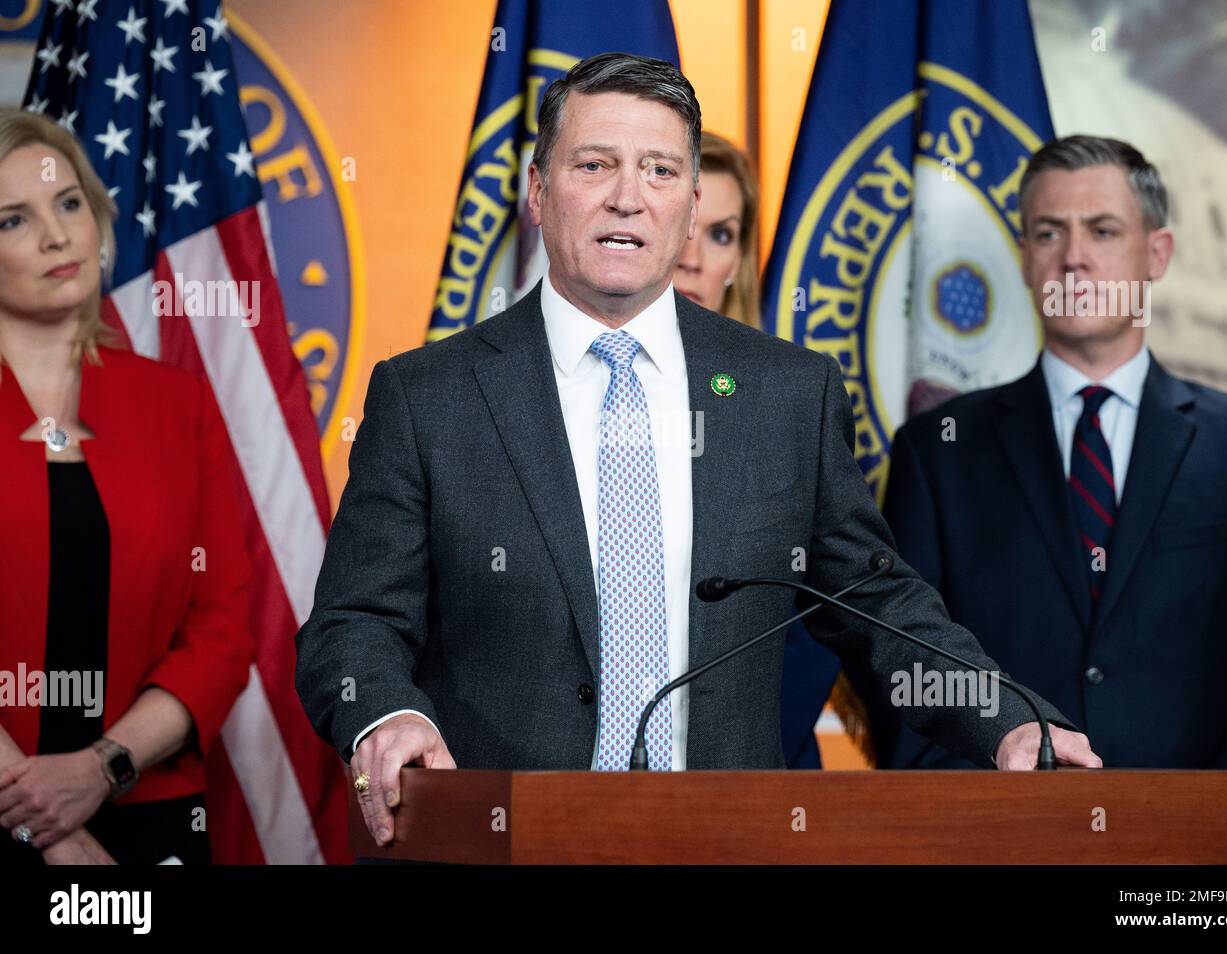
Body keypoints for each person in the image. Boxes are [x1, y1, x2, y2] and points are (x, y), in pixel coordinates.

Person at [295, 53, 1101, 853]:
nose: (627, 196)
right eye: (594, 164)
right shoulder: (428, 394)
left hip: (725, 843)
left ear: (688, 205)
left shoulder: (789, 394)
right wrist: (387, 713)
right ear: (538, 193)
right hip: (498, 840)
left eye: (658, 170)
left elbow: (879, 607)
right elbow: (353, 620)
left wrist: (1002, 719)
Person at [874, 135, 1227, 863]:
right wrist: (990, 832)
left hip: (1194, 873)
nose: (1074, 257)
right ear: (1024, 257)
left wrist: (1198, 833)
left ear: (1155, 254)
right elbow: (906, 674)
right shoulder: (937, 450)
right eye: (1049, 232)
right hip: (994, 862)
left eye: (1102, 231)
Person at [0, 109, 252, 865]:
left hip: (149, 811)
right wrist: (47, 817)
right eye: (14, 220)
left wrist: (98, 769)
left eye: (69, 203)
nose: (57, 236)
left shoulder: (177, 405)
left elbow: (223, 626)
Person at [673, 130, 841, 768]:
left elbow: (840, 602)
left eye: (721, 234)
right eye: (685, 224)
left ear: (739, 259)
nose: (693, 256)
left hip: (763, 769)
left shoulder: (789, 400)